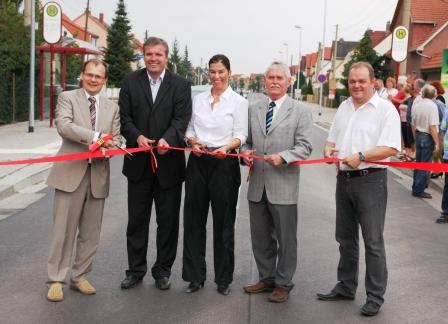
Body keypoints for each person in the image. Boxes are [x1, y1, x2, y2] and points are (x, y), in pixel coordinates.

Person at [318, 62, 401, 317]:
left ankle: (375, 296)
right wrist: (329, 149)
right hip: (344, 180)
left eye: (361, 81)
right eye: (352, 81)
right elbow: (333, 138)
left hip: (370, 180)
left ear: (373, 82)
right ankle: (346, 285)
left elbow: (391, 148)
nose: (356, 85)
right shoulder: (344, 107)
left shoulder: (385, 110)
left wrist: (362, 155)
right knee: (345, 237)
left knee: (373, 241)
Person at [119, 36, 192, 290]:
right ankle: (136, 270)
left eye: (158, 54)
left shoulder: (181, 85)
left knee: (168, 223)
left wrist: (167, 139)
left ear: (166, 57)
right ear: (143, 55)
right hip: (138, 163)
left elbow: (182, 119)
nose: (153, 59)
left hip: (169, 164)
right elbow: (124, 118)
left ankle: (162, 271)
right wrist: (136, 136)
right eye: (149, 54)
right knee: (137, 221)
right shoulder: (130, 82)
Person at [46, 59, 121, 302]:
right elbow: (64, 126)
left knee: (91, 232)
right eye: (89, 74)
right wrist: (98, 137)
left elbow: (118, 138)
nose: (93, 79)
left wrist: (111, 146)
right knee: (63, 231)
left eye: (98, 76)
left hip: (97, 175)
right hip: (70, 174)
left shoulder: (112, 108)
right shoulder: (68, 98)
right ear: (82, 75)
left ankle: (80, 276)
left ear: (105, 80)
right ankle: (56, 279)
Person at [241, 61, 313, 303]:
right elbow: (247, 141)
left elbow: (305, 147)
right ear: (264, 81)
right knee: (261, 237)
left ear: (288, 82)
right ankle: (267, 277)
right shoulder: (255, 108)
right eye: (270, 77)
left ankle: (283, 283)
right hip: (257, 185)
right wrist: (245, 152)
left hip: (284, 185)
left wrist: (283, 157)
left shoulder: (300, 110)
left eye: (279, 78)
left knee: (286, 238)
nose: (274, 81)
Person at [182, 54, 248, 296]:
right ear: (208, 73)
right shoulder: (198, 100)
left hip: (224, 164)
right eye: (212, 71)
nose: (216, 76)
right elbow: (189, 128)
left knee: (223, 224)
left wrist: (227, 148)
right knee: (193, 222)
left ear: (229, 73)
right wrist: (191, 142)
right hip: (198, 161)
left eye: (221, 71)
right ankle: (194, 277)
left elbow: (241, 134)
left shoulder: (239, 102)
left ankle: (223, 279)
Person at [411, 85, 439, 199]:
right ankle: (418, 190)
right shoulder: (432, 106)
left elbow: (412, 123)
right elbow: (432, 126)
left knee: (418, 163)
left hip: (418, 134)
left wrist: (415, 137)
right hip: (427, 136)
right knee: (425, 164)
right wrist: (437, 142)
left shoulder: (418, 104)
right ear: (433, 95)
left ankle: (415, 187)